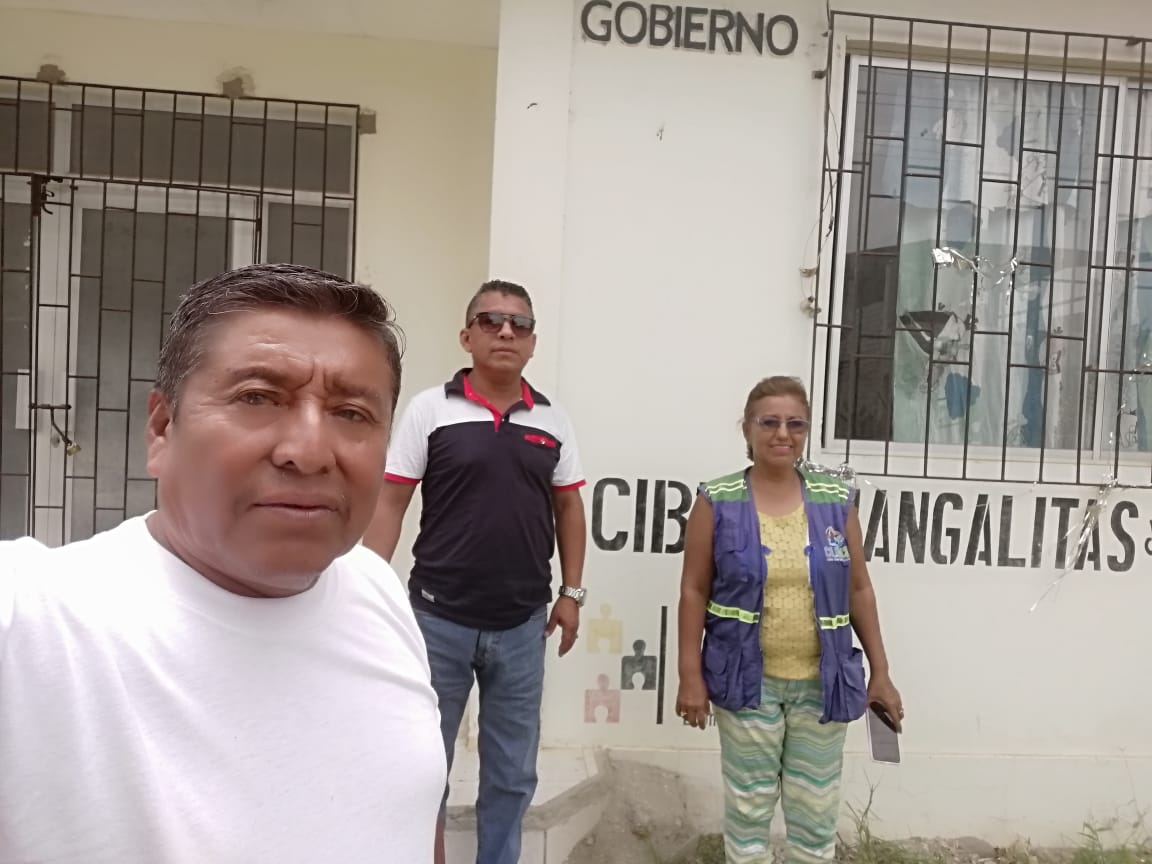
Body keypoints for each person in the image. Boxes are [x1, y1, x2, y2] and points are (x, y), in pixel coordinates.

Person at [0, 264, 446, 863]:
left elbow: (413, 811)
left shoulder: (378, 591)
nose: (309, 452)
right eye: (257, 398)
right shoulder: (34, 622)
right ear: (162, 429)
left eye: (350, 413)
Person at [363, 278, 587, 864]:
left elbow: (570, 507)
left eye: (520, 324)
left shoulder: (554, 421)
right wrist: (365, 588)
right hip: (437, 621)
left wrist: (572, 593)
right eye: (491, 321)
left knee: (512, 774)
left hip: (523, 626)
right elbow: (391, 501)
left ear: (533, 342)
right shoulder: (429, 410)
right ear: (467, 336)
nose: (506, 331)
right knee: (424, 767)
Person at [675, 375, 903, 864]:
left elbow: (859, 589)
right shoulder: (716, 500)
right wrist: (689, 675)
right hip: (745, 683)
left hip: (823, 684)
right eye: (769, 422)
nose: (783, 434)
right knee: (748, 810)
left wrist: (881, 672)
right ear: (747, 429)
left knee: (815, 813)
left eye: (795, 424)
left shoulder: (835, 501)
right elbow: (693, 590)